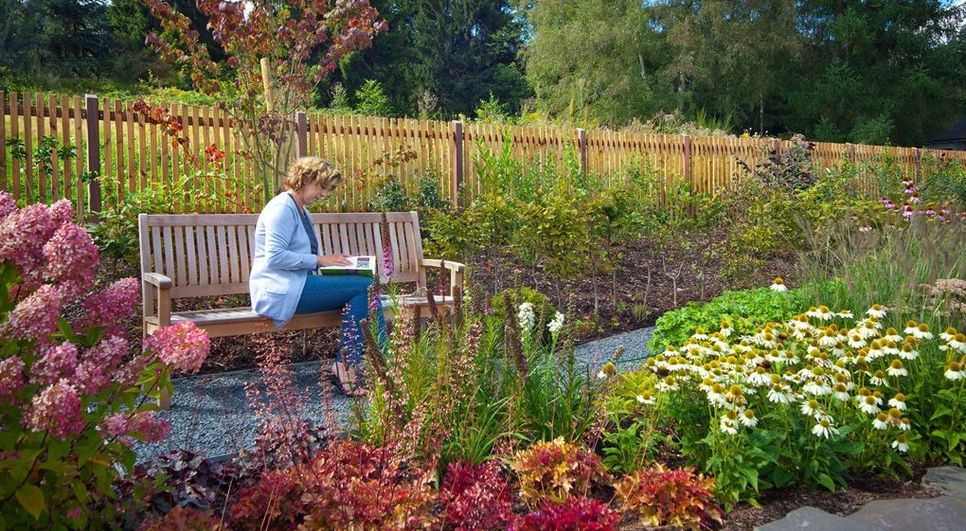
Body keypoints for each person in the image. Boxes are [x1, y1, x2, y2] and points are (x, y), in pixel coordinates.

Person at [249, 157, 385, 395]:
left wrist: (341, 268)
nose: (323, 194)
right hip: (279, 291)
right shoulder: (282, 209)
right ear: (305, 179)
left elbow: (306, 259)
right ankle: (370, 364)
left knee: (365, 290)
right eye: (321, 187)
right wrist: (320, 260)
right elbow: (274, 257)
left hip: (297, 285)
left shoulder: (302, 211)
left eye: (326, 189)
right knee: (365, 288)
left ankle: (377, 362)